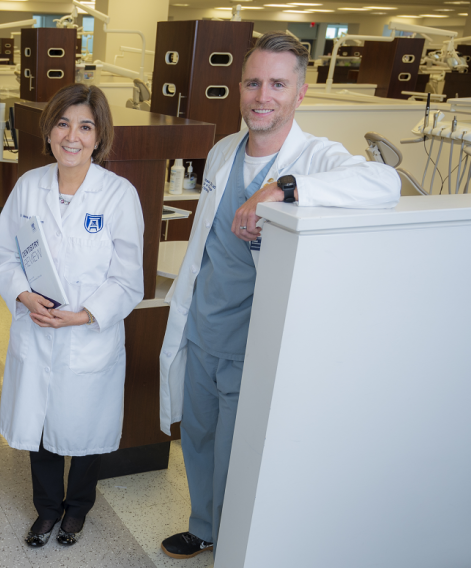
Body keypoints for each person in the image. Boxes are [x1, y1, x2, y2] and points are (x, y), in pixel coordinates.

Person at [158, 32, 401, 560]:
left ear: (300, 93)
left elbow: (385, 184)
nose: (261, 96)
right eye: (252, 82)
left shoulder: (315, 157)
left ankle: (235, 539)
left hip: (257, 342)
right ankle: (203, 526)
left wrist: (286, 187)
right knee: (197, 437)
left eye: (276, 84)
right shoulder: (224, 150)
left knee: (238, 450)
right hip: (203, 328)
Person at [0, 83, 144, 547]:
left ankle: (76, 511)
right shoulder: (28, 186)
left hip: (87, 338)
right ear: (49, 131)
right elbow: (4, 254)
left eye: (84, 126)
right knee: (40, 429)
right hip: (37, 331)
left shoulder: (119, 195)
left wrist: (82, 317)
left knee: (85, 431)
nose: (72, 136)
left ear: (99, 136)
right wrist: (22, 295)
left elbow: (127, 280)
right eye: (63, 124)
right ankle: (46, 511)